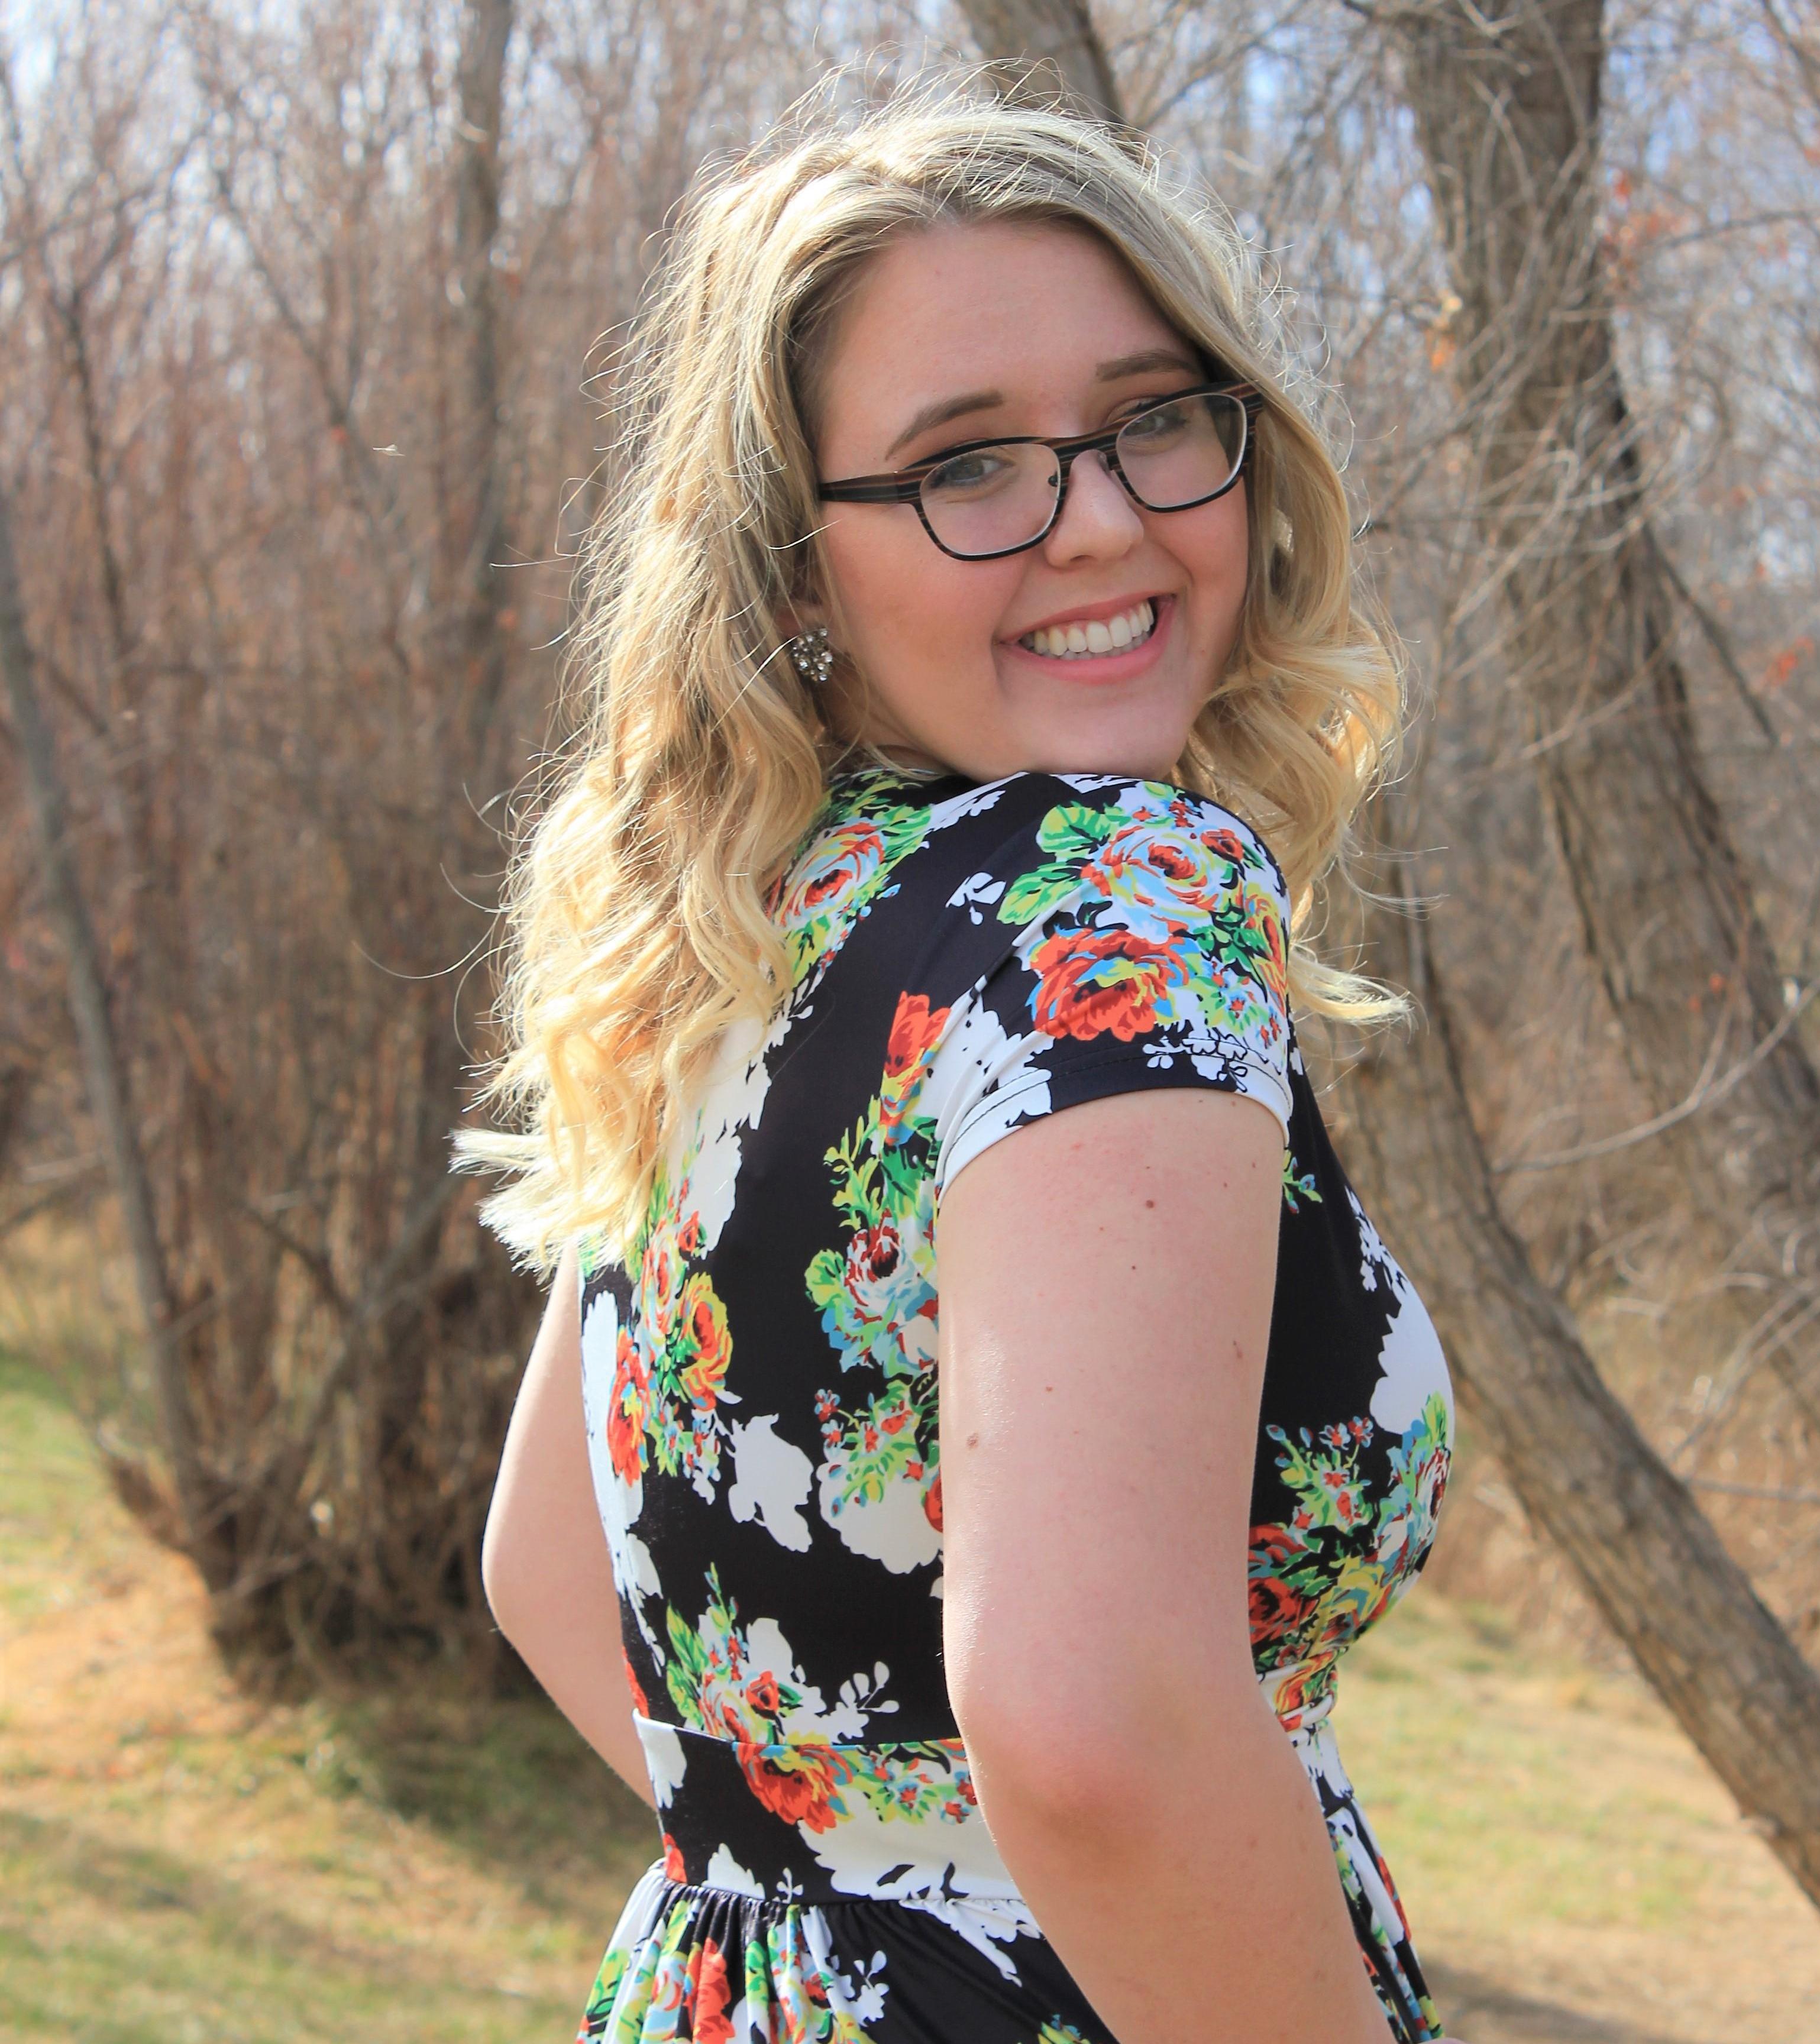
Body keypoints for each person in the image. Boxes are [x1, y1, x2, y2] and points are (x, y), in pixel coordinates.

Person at [468, 76, 1459, 2044]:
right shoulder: (1116, 897)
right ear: (791, 568)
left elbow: (547, 1572)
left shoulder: (744, 926)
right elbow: (1095, 1735)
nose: (1102, 519)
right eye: (966, 466)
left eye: (1153, 420)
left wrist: (849, 1895)